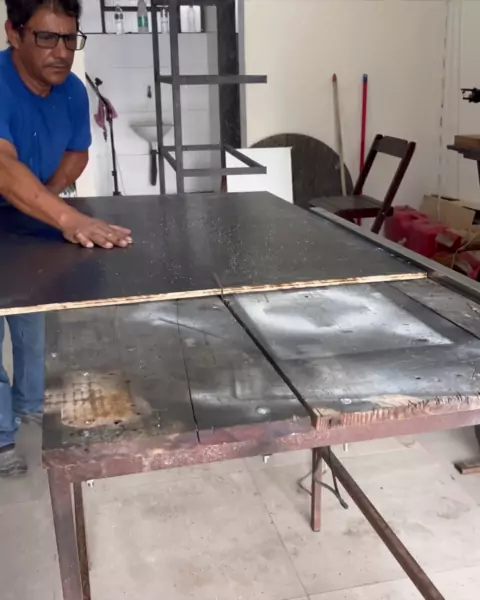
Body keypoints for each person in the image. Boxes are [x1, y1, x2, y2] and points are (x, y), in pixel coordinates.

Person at [0, 0, 132, 477]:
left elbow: (78, 152)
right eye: (46, 37)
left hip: (27, 215)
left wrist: (44, 200)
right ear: (14, 33)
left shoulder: (73, 91)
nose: (61, 51)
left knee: (31, 315)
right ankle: (1, 436)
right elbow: (3, 165)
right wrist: (66, 218)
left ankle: (29, 407)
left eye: (70, 38)